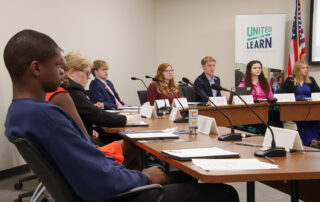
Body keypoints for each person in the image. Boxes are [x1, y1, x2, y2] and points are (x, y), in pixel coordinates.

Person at [4, 29, 239, 202]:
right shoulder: (45, 116)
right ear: (35, 68)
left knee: (183, 178)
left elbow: (87, 165)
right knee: (224, 193)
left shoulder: (19, 112)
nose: (62, 71)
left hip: (91, 190)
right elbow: (97, 179)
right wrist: (143, 177)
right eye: (58, 65)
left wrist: (133, 173)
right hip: (110, 196)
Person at [65, 51, 140, 144]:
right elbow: (97, 115)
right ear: (72, 72)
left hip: (82, 136)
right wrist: (128, 119)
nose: (89, 77)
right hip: (83, 145)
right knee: (132, 144)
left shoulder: (68, 88)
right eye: (87, 73)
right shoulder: (72, 89)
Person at [280, 60, 320, 146]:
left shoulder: (311, 80)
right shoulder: (290, 80)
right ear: (297, 69)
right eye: (303, 68)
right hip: (296, 108)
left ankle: (316, 141)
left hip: (310, 107)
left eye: (306, 68)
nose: (306, 70)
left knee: (314, 120)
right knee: (303, 120)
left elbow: (317, 93)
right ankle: (311, 142)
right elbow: (282, 93)